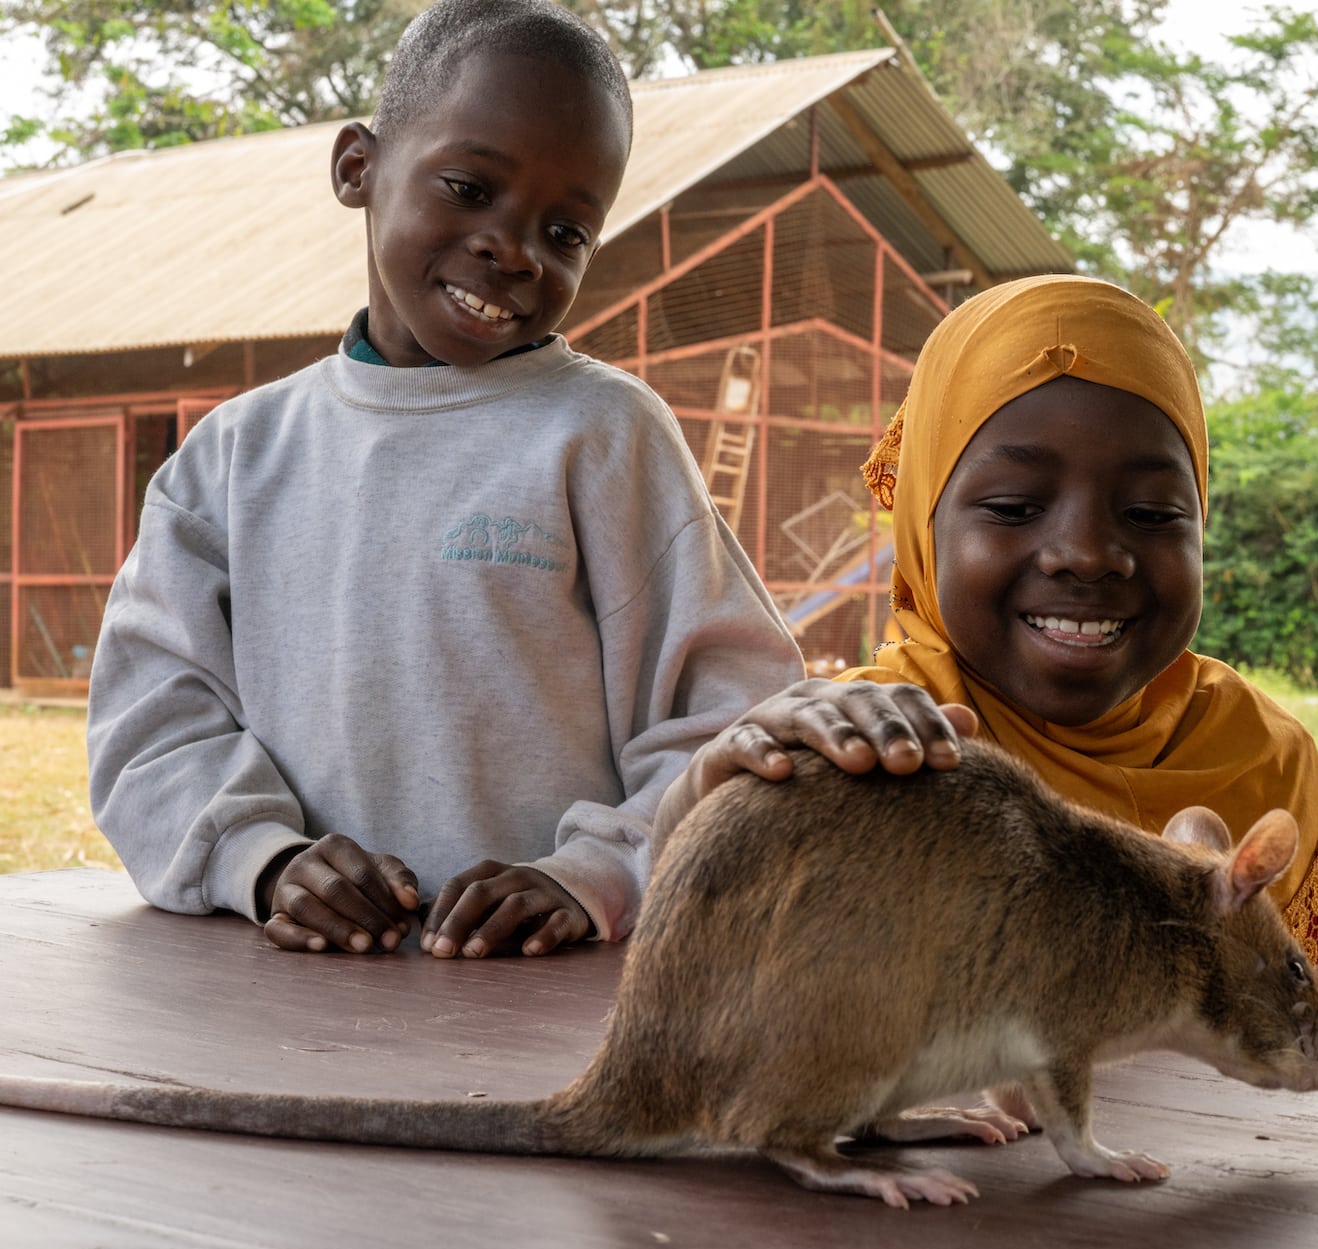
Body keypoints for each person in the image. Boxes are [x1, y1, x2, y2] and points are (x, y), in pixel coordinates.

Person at [88, 0, 803, 962]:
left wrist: (592, 873)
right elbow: (151, 722)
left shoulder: (606, 435)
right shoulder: (233, 457)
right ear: (358, 168)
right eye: (469, 188)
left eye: (566, 232)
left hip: (554, 995)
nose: (514, 248)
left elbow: (735, 714)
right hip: (290, 990)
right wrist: (264, 860)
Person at [656, 274, 1318, 1037]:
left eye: (1151, 513)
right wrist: (702, 796)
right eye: (1015, 507)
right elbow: (709, 984)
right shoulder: (871, 746)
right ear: (923, 522)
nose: (1087, 553)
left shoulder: (1261, 756)